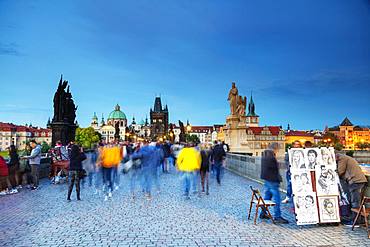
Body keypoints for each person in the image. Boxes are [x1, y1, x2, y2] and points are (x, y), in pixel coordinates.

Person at [260, 142, 289, 224]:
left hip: (267, 179)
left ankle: (263, 213)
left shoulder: (265, 154)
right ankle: (277, 217)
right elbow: (274, 167)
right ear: (275, 148)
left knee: (267, 197)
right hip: (272, 180)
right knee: (277, 199)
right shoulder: (271, 156)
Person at [336, 153, 367, 224]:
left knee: (355, 201)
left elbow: (340, 171)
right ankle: (356, 219)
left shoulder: (342, 159)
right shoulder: (346, 158)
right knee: (355, 201)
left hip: (355, 181)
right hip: (358, 180)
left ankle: (356, 221)